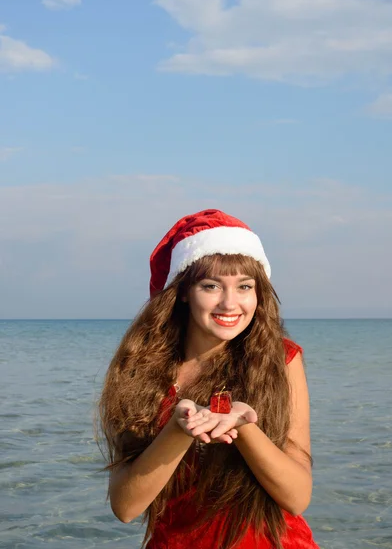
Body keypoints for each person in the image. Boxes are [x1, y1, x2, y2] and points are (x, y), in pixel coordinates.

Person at [98, 209, 320, 549]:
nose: (230, 303)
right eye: (211, 285)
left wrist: (245, 429)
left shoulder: (281, 359)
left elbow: (297, 497)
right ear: (184, 291)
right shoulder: (140, 369)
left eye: (244, 286)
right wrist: (178, 429)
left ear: (259, 293)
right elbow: (126, 507)